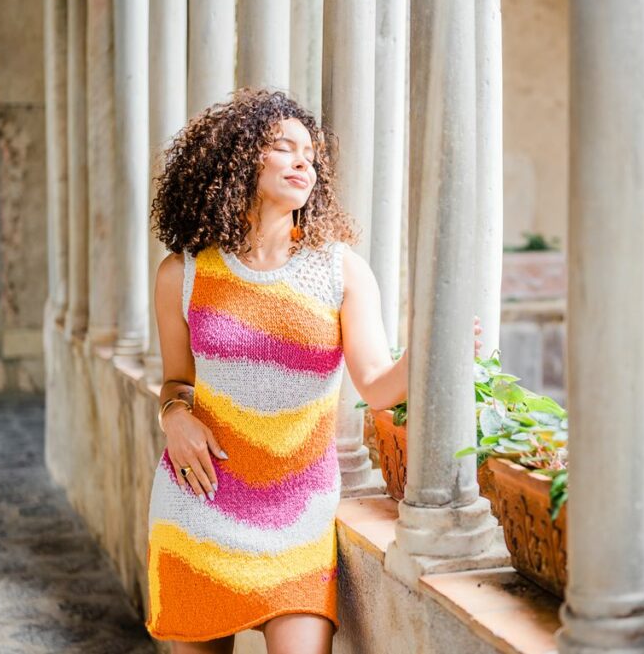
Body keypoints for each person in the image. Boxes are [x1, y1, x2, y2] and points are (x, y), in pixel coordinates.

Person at [143, 88, 481, 654]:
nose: (304, 162)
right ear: (237, 157)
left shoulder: (340, 270)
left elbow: (375, 385)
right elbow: (177, 380)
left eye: (311, 155)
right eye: (283, 147)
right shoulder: (183, 274)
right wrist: (174, 416)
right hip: (199, 501)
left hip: (297, 516)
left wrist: (435, 349)